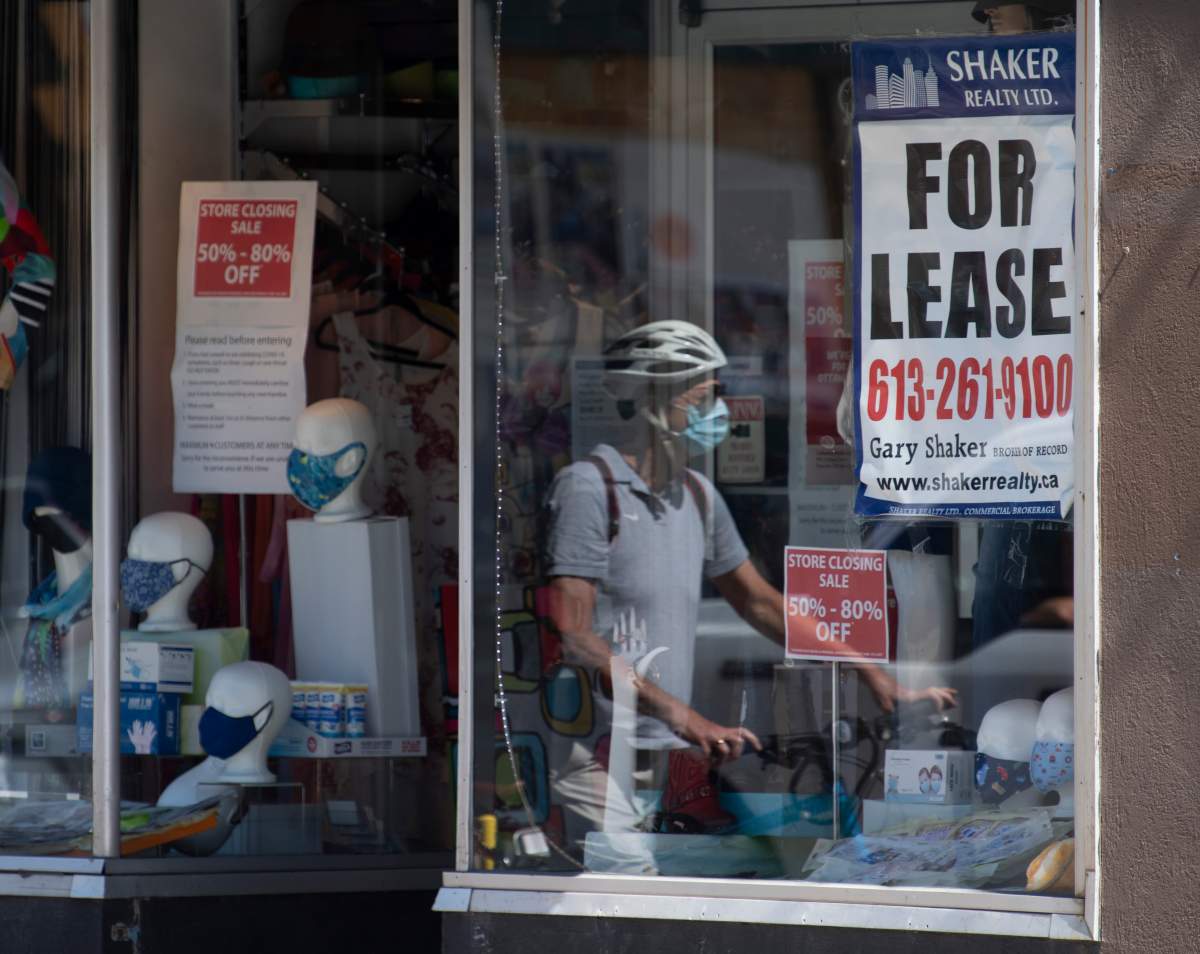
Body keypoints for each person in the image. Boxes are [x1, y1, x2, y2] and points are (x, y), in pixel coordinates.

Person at [541, 320, 954, 849]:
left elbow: (761, 604)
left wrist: (874, 677)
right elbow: (577, 635)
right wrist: (689, 720)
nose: (720, 407)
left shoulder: (696, 494)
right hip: (600, 755)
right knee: (622, 895)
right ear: (657, 395)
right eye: (706, 392)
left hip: (666, 762)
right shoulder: (590, 489)